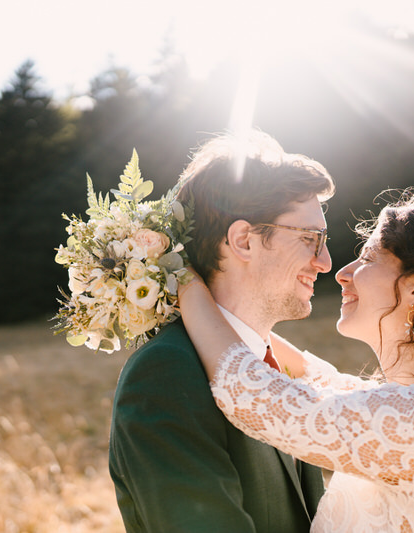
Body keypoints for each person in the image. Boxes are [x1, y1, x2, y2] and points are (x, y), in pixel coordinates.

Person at [178, 190, 414, 532]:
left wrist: (178, 274)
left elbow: (253, 395)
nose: (343, 272)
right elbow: (313, 375)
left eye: (368, 259)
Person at [108, 130, 336, 532]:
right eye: (309, 239)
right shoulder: (164, 373)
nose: (326, 261)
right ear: (244, 240)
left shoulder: (281, 365)